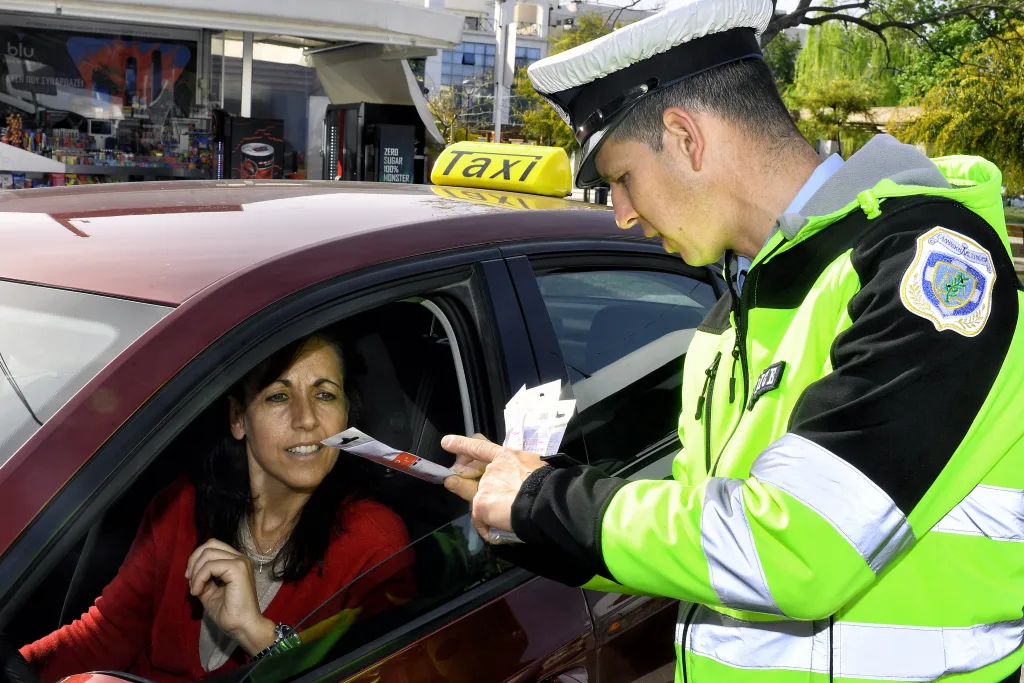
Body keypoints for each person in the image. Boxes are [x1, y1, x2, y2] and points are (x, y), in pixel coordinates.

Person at [442, 0, 1024, 681]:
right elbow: (707, 543)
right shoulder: (730, 317)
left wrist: (549, 502)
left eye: (622, 179)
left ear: (687, 137)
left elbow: (798, 547)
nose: (623, 214)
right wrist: (526, 514)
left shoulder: (927, 265)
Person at [21, 333, 413, 683]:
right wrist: (18, 667)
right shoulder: (183, 505)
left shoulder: (374, 544)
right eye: (278, 395)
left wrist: (254, 631)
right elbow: (106, 635)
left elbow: (380, 674)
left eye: (325, 395)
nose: (307, 419)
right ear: (238, 418)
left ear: (346, 415)